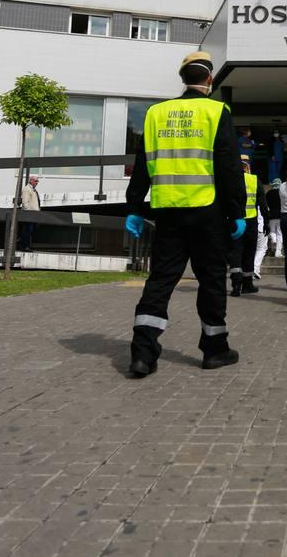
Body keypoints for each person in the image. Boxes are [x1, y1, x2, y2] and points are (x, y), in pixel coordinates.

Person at [124, 51, 245, 377]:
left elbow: (142, 165)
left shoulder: (155, 113)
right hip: (208, 211)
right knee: (211, 280)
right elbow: (229, 165)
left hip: (167, 213)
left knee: (161, 279)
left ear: (183, 78)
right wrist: (238, 210)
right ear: (209, 79)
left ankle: (143, 353)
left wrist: (134, 206)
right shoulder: (217, 111)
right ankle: (215, 350)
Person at [231, 155, 261, 296]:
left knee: (235, 253)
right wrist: (266, 221)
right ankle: (247, 285)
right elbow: (262, 202)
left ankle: (235, 286)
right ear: (248, 166)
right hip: (250, 222)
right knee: (249, 254)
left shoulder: (230, 180)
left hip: (234, 221)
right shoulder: (254, 179)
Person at [17, 174, 40, 252]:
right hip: (29, 214)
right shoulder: (27, 189)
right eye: (36, 181)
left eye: (37, 181)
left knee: (31, 230)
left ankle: (24, 244)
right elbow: (25, 202)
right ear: (31, 180)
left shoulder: (33, 190)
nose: (37, 182)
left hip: (33, 215)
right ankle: (23, 245)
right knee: (28, 230)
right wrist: (29, 213)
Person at [264, 181, 282, 260]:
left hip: (271, 215)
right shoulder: (282, 192)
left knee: (272, 231)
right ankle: (278, 252)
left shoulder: (268, 193)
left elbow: (265, 204)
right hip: (281, 215)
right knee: (280, 233)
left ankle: (273, 240)